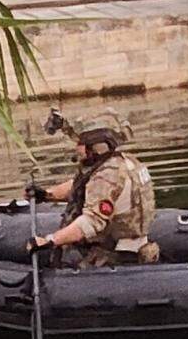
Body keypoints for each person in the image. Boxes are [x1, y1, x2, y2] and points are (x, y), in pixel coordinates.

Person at [26, 109, 159, 268]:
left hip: (117, 254)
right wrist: (47, 195)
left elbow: (90, 222)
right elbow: (84, 186)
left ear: (96, 147)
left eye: (81, 144)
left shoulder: (108, 176)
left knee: (67, 257)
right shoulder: (124, 162)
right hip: (132, 243)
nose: (77, 148)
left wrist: (50, 240)